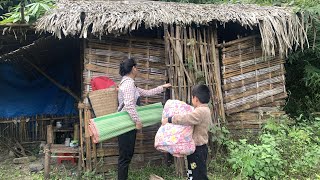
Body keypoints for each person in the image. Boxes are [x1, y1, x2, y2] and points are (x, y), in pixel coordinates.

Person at [117, 58, 171, 180]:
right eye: (136, 67)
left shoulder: (128, 83)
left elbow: (146, 93)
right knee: (125, 157)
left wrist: (162, 87)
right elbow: (129, 104)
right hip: (126, 124)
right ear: (133, 68)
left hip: (127, 123)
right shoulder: (129, 84)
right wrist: (137, 121)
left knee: (126, 156)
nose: (137, 69)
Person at [162, 84, 212, 180]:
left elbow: (186, 118)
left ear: (196, 99)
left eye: (192, 98)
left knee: (198, 175)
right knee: (193, 172)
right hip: (197, 149)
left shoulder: (200, 112)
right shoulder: (205, 110)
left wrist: (170, 119)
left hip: (198, 150)